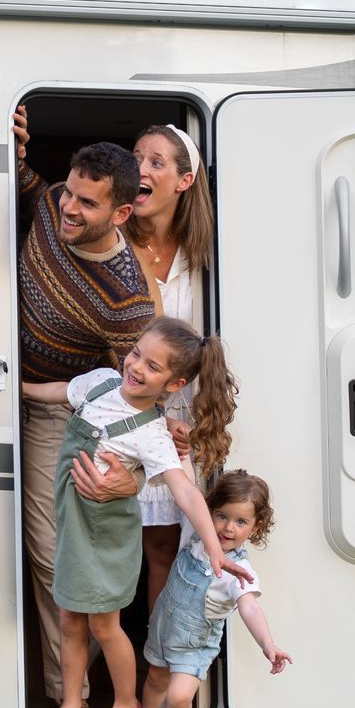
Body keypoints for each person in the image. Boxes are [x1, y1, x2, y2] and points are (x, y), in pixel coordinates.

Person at [20, 317, 249, 708]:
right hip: (73, 524)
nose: (138, 367)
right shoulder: (101, 384)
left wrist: (215, 550)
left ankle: (125, 706)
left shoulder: (152, 433)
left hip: (106, 537)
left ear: (174, 383)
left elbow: (185, 490)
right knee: (69, 618)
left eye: (154, 366)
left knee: (104, 626)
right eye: (137, 353)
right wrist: (19, 389)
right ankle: (70, 706)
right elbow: (60, 392)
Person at [13, 106, 155, 708]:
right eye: (70, 193)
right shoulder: (52, 206)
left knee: (55, 561)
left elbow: (140, 399)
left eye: (87, 205)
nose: (70, 210)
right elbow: (28, 191)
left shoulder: (127, 300)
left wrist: (137, 472)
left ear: (121, 213)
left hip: (59, 418)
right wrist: (16, 155)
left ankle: (69, 702)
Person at [124, 124, 225, 611]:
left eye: (155, 162)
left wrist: (195, 420)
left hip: (188, 419)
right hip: (133, 412)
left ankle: (162, 673)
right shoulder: (116, 244)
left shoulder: (203, 254)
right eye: (136, 158)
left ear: (184, 182)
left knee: (171, 547)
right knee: (128, 548)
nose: (140, 169)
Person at [142, 470, 291, 708]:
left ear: (255, 526)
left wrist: (268, 644)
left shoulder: (240, 571)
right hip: (163, 628)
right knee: (155, 680)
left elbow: (249, 607)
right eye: (222, 516)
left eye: (241, 522)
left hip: (194, 644)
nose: (228, 528)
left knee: (180, 697)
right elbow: (186, 482)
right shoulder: (198, 537)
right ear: (209, 511)